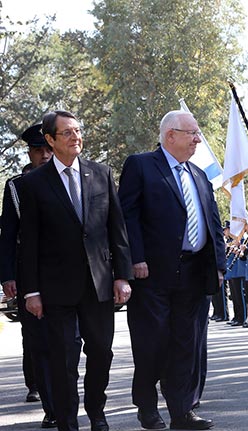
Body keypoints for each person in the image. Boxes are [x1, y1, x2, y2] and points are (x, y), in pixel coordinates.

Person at [18, 110, 133, 431]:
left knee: (101, 353)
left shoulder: (100, 174)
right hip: (55, 289)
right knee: (63, 359)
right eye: (66, 133)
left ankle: (96, 411)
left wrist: (122, 275)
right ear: (51, 140)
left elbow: (117, 229)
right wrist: (32, 291)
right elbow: (29, 242)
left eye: (78, 131)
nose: (75, 137)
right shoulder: (33, 184)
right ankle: (68, 421)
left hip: (98, 284)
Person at [119, 111, 225, 430]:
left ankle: (182, 411)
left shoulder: (200, 175)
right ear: (170, 136)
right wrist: (134, 258)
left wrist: (218, 266)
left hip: (194, 275)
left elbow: (214, 225)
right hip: (152, 274)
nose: (197, 139)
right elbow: (128, 216)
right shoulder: (140, 165)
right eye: (192, 133)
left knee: (185, 345)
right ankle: (147, 407)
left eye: (198, 133)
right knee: (152, 343)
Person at [0, 123, 57, 428]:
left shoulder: (70, 178)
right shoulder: (16, 186)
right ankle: (49, 402)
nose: (45, 156)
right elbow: (7, 234)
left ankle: (62, 397)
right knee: (37, 339)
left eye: (49, 149)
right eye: (39, 151)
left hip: (65, 275)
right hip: (29, 275)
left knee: (67, 341)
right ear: (30, 153)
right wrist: (7, 275)